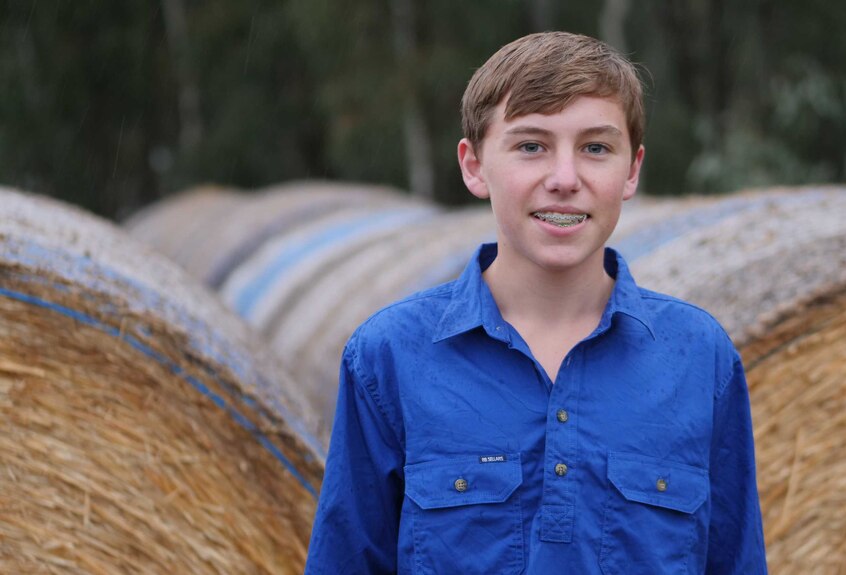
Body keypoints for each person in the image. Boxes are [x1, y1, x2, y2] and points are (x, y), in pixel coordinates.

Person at [305, 31, 767, 574]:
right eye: (531, 146)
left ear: (632, 170)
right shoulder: (389, 356)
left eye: (595, 148)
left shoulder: (699, 356)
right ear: (474, 166)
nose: (565, 179)